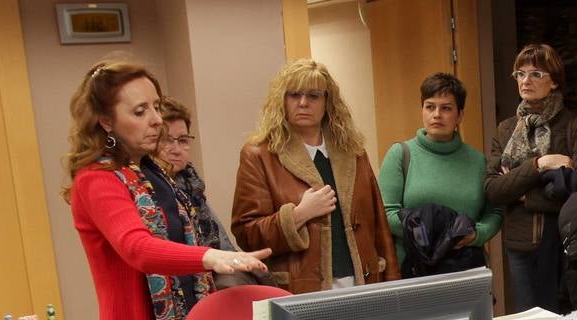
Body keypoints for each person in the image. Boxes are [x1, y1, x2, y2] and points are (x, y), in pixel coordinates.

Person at [63, 60, 270, 320]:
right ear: (106, 122)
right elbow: (138, 248)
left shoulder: (150, 171)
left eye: (156, 107)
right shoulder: (97, 179)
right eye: (140, 111)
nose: (156, 120)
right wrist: (212, 257)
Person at [232, 58, 399, 293]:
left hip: (363, 283)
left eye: (313, 96)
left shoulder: (353, 151)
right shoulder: (259, 154)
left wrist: (392, 284)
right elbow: (247, 234)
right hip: (301, 291)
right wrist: (298, 215)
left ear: (327, 102)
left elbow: (380, 227)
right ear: (282, 99)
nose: (303, 103)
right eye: (294, 94)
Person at [485, 43, 577, 311]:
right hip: (519, 244)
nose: (525, 81)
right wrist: (540, 166)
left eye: (536, 74)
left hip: (564, 244)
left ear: (555, 81)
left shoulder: (576, 126)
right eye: (520, 74)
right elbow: (492, 190)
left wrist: (523, 193)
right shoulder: (506, 129)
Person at [377, 73, 502, 275]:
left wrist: (476, 235)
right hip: (413, 271)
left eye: (446, 108)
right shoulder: (401, 154)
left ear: (460, 115)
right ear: (422, 110)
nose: (437, 114)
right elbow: (386, 212)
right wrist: (431, 236)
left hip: (467, 269)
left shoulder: (478, 161)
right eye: (430, 106)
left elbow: (494, 213)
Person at [156, 97, 264, 290]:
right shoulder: (147, 187)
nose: (176, 150)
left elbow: (222, 244)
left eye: (183, 140)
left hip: (208, 271)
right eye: (166, 141)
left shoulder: (190, 183)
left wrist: (240, 261)